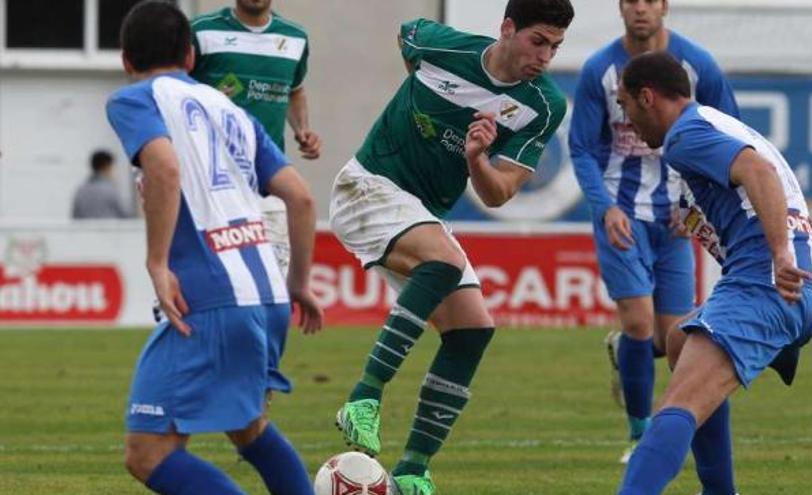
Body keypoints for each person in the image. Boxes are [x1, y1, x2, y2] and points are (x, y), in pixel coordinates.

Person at [328, 1, 574, 493]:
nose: (545, 57)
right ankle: (364, 397)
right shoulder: (438, 43)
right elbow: (407, 36)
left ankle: (414, 468)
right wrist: (416, 110)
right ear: (507, 29)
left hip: (420, 213)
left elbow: (498, 193)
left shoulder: (544, 105)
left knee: (472, 328)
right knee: (441, 260)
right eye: (538, 41)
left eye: (555, 47)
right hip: (369, 187)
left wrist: (477, 157)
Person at [105, 2, 323, 494]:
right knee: (247, 426)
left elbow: (162, 167)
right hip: (265, 293)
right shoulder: (234, 112)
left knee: (148, 452)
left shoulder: (135, 98)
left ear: (125, 60)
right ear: (188, 55)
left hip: (211, 297)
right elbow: (302, 198)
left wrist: (157, 263)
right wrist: (299, 286)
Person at [614, 51, 812, 495]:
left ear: (648, 97)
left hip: (768, 283)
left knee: (676, 407)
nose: (628, 121)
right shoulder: (718, 124)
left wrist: (778, 256)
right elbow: (755, 181)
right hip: (809, 290)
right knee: (678, 341)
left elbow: (759, 172)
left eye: (626, 107)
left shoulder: (684, 135)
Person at [567, 0, 740, 464]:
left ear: (664, 6)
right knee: (641, 322)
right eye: (631, 0)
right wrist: (604, 208)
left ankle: (628, 351)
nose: (640, 8)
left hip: (677, 221)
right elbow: (581, 147)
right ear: (620, 8)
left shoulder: (697, 65)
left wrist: (696, 200)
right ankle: (640, 435)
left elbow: (728, 131)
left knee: (673, 339)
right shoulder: (599, 70)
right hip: (621, 216)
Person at [190, 0, 321, 276]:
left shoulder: (294, 38)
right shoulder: (202, 32)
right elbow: (178, 88)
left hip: (268, 182)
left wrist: (302, 129)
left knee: (273, 280)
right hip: (213, 182)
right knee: (220, 278)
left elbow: (294, 90)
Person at [71, 150, 132, 219]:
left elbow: (75, 217)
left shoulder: (80, 191)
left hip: (86, 229)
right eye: (113, 168)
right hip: (111, 229)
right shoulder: (111, 190)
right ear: (107, 167)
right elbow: (127, 216)